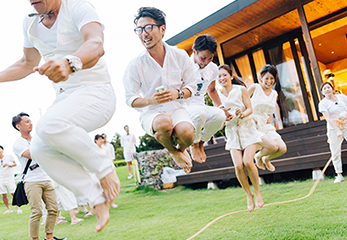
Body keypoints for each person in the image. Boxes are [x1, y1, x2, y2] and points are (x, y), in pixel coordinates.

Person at [0, 0, 120, 232]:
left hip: (97, 92)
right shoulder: (30, 22)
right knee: (39, 148)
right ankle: (96, 198)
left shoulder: (77, 7)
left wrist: (70, 62)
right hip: (66, 98)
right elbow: (27, 63)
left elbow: (96, 44)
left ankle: (105, 170)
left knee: (47, 125)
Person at [123, 7, 197, 173]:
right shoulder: (135, 65)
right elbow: (130, 99)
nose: (144, 34)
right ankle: (173, 152)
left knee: (187, 134)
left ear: (162, 29)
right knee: (164, 123)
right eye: (139, 30)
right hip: (152, 113)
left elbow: (192, 86)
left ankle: (181, 148)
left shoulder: (180, 55)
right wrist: (152, 100)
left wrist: (177, 93)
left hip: (177, 108)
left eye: (148, 28)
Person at [217, 64, 264, 212]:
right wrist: (222, 117)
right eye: (219, 76)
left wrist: (242, 113)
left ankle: (257, 192)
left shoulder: (241, 89)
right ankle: (248, 195)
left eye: (224, 75)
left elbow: (250, 108)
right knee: (238, 165)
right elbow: (218, 116)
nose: (222, 78)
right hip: (231, 131)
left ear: (231, 76)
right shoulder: (216, 94)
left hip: (247, 127)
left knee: (248, 162)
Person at [12, 113, 65, 240]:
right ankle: (35, 239)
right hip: (31, 181)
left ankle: (49, 237)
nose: (30, 123)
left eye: (30, 121)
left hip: (46, 178)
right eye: (26, 122)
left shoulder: (37, 139)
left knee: (53, 208)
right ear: (18, 126)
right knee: (37, 211)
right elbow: (32, 154)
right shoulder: (18, 143)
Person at [185, 35, 231, 163]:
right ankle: (193, 144)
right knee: (200, 113)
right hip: (185, 106)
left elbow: (211, 90)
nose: (206, 62)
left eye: (210, 58)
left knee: (220, 116)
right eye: (203, 58)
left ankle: (201, 142)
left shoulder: (213, 68)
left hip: (201, 105)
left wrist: (222, 108)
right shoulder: (183, 65)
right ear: (194, 51)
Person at [248, 64, 287, 172]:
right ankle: (258, 157)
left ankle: (266, 158)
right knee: (273, 146)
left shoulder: (274, 93)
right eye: (266, 78)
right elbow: (242, 103)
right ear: (261, 77)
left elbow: (269, 110)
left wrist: (270, 121)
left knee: (282, 148)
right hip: (252, 124)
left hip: (265, 125)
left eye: (272, 78)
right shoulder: (255, 87)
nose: (269, 81)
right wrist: (249, 117)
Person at [318, 81, 347, 183]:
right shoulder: (323, 103)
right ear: (322, 92)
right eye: (324, 88)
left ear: (332, 88)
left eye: (328, 87)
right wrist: (337, 130)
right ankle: (339, 174)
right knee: (335, 152)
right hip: (333, 128)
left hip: (345, 124)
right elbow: (328, 119)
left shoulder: (342, 97)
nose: (327, 89)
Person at [95, 134, 118, 209]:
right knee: (102, 187)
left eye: (102, 139)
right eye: (100, 139)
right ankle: (105, 203)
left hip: (107, 169)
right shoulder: (94, 150)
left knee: (110, 185)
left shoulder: (106, 149)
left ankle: (113, 202)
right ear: (96, 141)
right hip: (98, 170)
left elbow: (110, 159)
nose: (102, 141)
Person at [0, 145, 22, 214]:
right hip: (1, 178)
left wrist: (8, 165)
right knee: (3, 194)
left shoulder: (8, 156)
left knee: (13, 192)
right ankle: (8, 209)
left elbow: (15, 164)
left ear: (2, 150)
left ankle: (18, 208)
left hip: (9, 177)